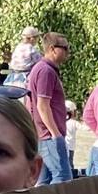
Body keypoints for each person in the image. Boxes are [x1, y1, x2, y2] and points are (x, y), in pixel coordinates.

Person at [28, 32, 73, 184]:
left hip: (43, 135)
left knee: (44, 182)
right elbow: (42, 105)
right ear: (53, 49)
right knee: (63, 179)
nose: (68, 51)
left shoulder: (42, 69)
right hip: (49, 136)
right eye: (65, 48)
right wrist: (55, 134)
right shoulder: (46, 71)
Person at [64, 100, 79, 176]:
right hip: (71, 146)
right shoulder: (73, 122)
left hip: (65, 145)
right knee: (70, 163)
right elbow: (83, 127)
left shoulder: (63, 121)